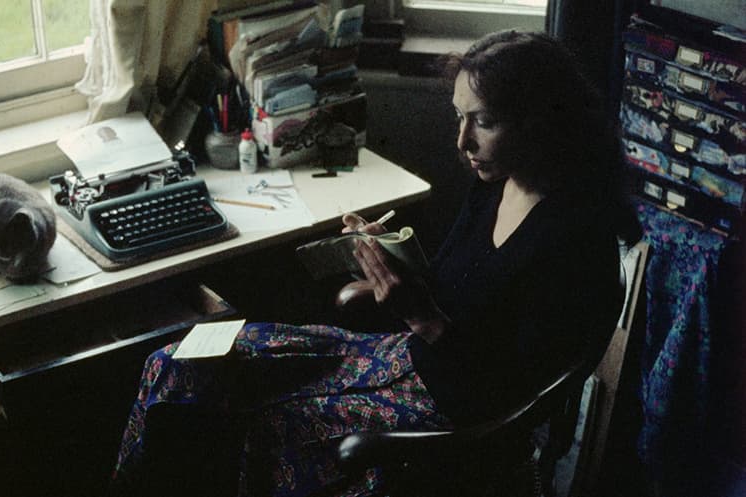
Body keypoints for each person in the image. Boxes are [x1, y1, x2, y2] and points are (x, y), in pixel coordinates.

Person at [108, 30, 641, 497]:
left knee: (266, 425)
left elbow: (506, 394)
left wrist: (422, 317)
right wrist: (391, 255)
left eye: (484, 122)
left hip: (450, 410)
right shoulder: (497, 180)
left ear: (541, 122)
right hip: (401, 356)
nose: (462, 142)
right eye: (459, 118)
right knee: (177, 367)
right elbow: (461, 287)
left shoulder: (576, 242)